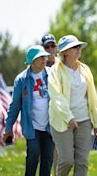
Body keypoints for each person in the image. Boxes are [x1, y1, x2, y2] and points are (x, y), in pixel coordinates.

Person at [48, 35, 97, 176]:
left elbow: (93, 97)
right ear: (65, 52)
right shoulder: (55, 70)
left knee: (82, 162)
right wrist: (69, 117)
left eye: (79, 46)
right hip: (62, 121)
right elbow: (56, 97)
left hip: (84, 120)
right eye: (74, 47)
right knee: (66, 161)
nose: (78, 49)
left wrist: (96, 123)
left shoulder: (85, 69)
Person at [4, 45, 55, 176]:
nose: (45, 59)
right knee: (33, 154)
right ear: (32, 61)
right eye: (41, 57)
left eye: (45, 56)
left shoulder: (52, 75)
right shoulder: (21, 80)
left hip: (50, 125)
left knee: (48, 159)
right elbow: (15, 105)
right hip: (32, 127)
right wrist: (8, 127)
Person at [41, 33, 59, 175]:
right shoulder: (38, 66)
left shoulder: (62, 64)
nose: (50, 49)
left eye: (53, 45)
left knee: (58, 148)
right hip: (43, 113)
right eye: (47, 46)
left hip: (59, 111)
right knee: (45, 152)